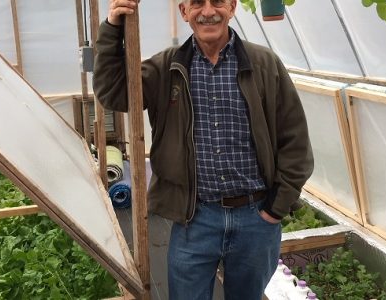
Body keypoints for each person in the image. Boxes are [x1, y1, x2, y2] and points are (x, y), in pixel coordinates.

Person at [93, 0, 313, 299]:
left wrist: (276, 208)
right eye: (197, 3)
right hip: (194, 218)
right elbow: (114, 93)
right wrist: (113, 28)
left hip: (256, 218)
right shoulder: (166, 68)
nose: (208, 11)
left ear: (232, 7)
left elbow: (295, 138)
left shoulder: (263, 63)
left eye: (218, 2)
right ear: (184, 12)